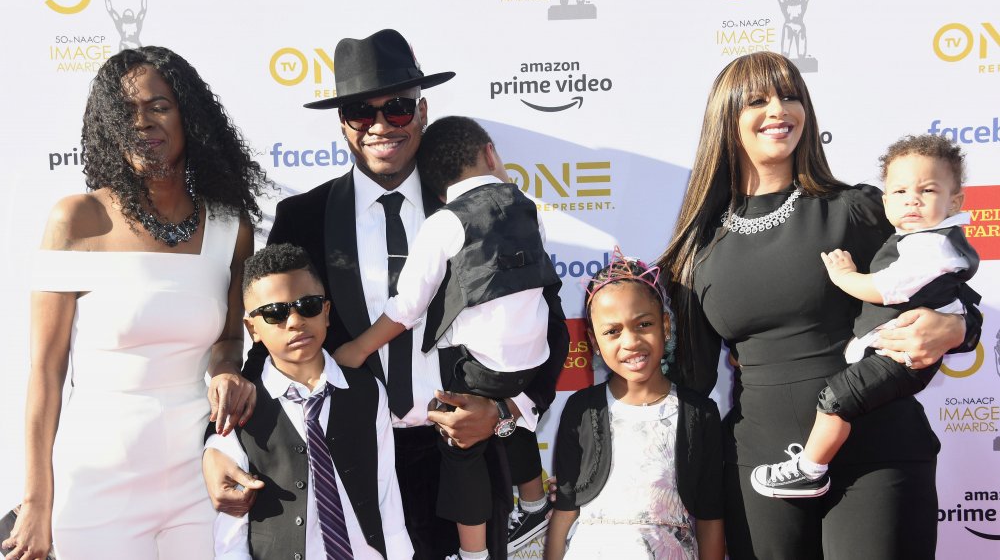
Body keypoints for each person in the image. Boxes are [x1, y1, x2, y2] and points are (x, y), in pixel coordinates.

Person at [201, 29, 569, 560]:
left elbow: (545, 322)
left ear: (422, 112)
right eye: (359, 111)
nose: (379, 126)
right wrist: (218, 444)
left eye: (397, 108)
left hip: (460, 456)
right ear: (342, 123)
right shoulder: (302, 217)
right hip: (344, 464)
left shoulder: (479, 210)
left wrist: (507, 411)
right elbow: (268, 348)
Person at [656, 51, 980, 559]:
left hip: (878, 456)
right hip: (758, 474)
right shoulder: (698, 249)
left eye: (790, 96)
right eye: (759, 99)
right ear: (727, 116)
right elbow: (691, 383)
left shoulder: (859, 208)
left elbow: (949, 281)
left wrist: (959, 330)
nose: (779, 109)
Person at [3, 46, 265, 560]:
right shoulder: (77, 221)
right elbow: (46, 371)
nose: (142, 122)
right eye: (125, 113)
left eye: (158, 106)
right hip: (99, 480)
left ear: (188, 115)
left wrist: (226, 370)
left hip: (199, 477)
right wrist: (36, 500)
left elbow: (230, 337)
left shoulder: (230, 226)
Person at [334, 116, 564, 560]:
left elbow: (406, 307)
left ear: (435, 186)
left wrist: (359, 347)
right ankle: (534, 505)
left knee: (462, 450)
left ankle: (473, 554)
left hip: (479, 366)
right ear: (492, 155)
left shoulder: (444, 223)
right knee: (513, 421)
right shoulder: (527, 205)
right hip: (532, 359)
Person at [750, 134, 980, 499]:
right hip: (883, 356)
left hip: (902, 361)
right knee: (842, 399)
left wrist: (845, 277)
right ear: (886, 200)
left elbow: (889, 288)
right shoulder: (910, 237)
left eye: (928, 191)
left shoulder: (931, 243)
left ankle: (810, 469)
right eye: (901, 192)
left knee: (837, 400)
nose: (913, 200)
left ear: (955, 200)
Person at [209, 243, 412, 559]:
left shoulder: (368, 391)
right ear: (253, 328)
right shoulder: (240, 406)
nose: (294, 322)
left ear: (326, 312)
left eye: (308, 306)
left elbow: (386, 487)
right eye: (275, 313)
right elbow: (231, 529)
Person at [546, 250, 724, 560]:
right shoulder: (581, 410)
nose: (630, 342)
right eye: (612, 331)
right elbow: (565, 511)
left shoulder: (700, 413)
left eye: (643, 324)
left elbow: (710, 518)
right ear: (593, 341)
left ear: (665, 326)